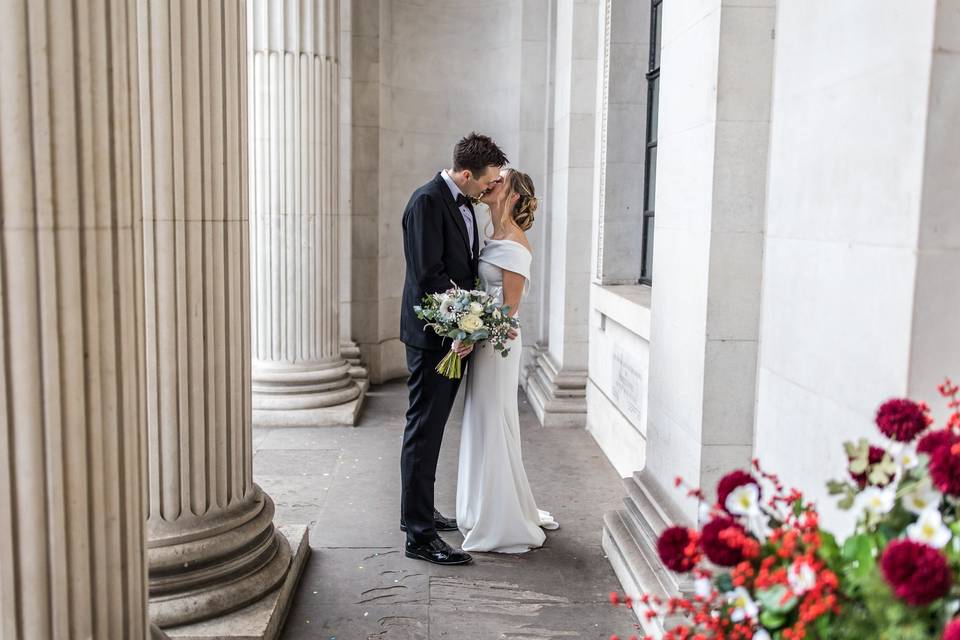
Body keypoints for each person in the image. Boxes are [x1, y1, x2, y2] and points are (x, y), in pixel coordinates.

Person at [399, 133, 507, 565]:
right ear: (467, 174)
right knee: (424, 432)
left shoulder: (462, 203)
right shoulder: (426, 202)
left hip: (453, 334)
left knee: (431, 430)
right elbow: (429, 276)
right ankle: (419, 537)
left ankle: (417, 515)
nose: (490, 188)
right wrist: (470, 320)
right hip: (433, 339)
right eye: (488, 181)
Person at [456, 168, 559, 553]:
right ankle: (479, 507)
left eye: (500, 183)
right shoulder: (490, 235)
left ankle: (501, 519)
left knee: (494, 419)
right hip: (483, 341)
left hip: (497, 345)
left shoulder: (515, 245)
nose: (492, 185)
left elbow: (508, 312)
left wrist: (471, 332)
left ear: (514, 197)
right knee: (480, 417)